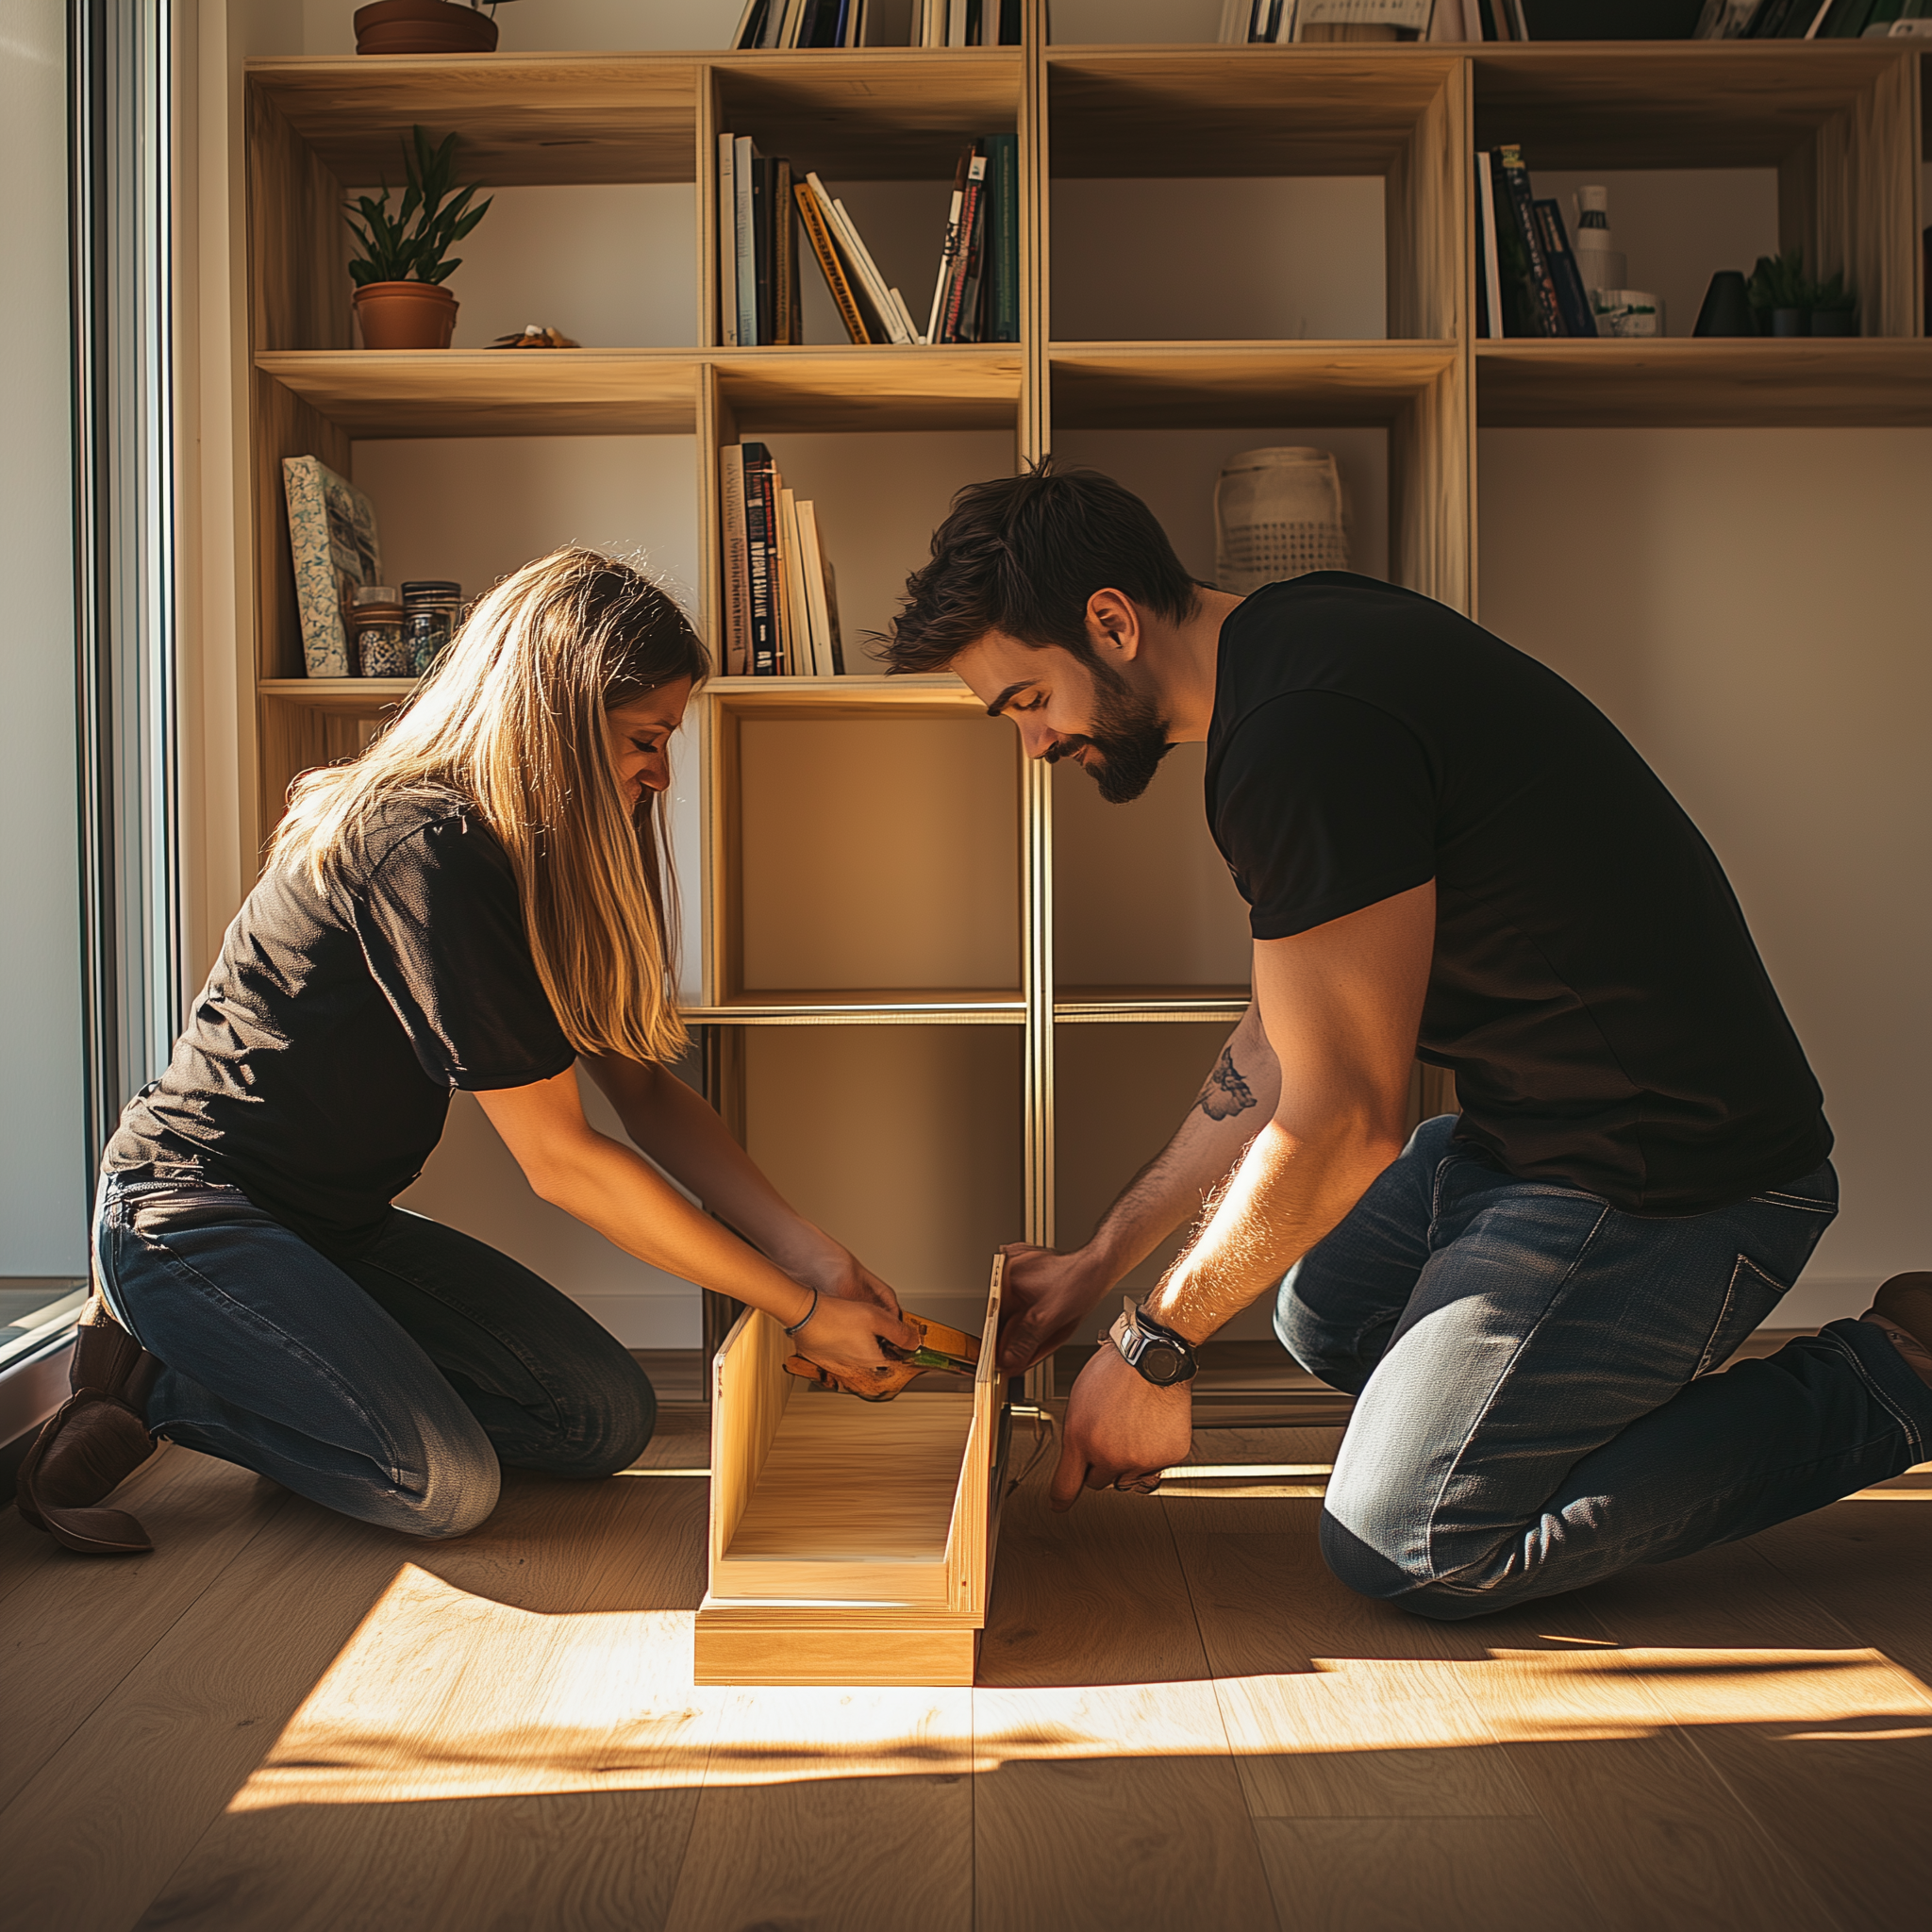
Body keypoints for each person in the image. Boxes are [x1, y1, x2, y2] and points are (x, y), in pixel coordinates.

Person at [879, 460, 1932, 1620]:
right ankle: (1558, 1379)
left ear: (1110, 622)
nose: (1031, 745)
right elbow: (1285, 1036)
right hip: (1533, 1136)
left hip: (1675, 1177)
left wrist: (1154, 1344)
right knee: (1318, 1309)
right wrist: (1102, 1257)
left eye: (1026, 701)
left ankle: (1891, 1373)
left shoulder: (1295, 736)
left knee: (1412, 1540)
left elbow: (1343, 1118)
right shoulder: (1295, 643)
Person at [19, 549, 916, 1556]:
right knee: (442, 1486)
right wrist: (796, 1308)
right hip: (190, 1212)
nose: (662, 771)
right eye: (644, 737)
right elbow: (562, 1160)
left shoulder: (521, 855)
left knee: (604, 1416)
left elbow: (641, 1091)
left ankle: (320, 1380)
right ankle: (163, 1381)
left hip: (335, 1227)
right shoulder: (422, 847)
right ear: (558, 721)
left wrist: (809, 1253)